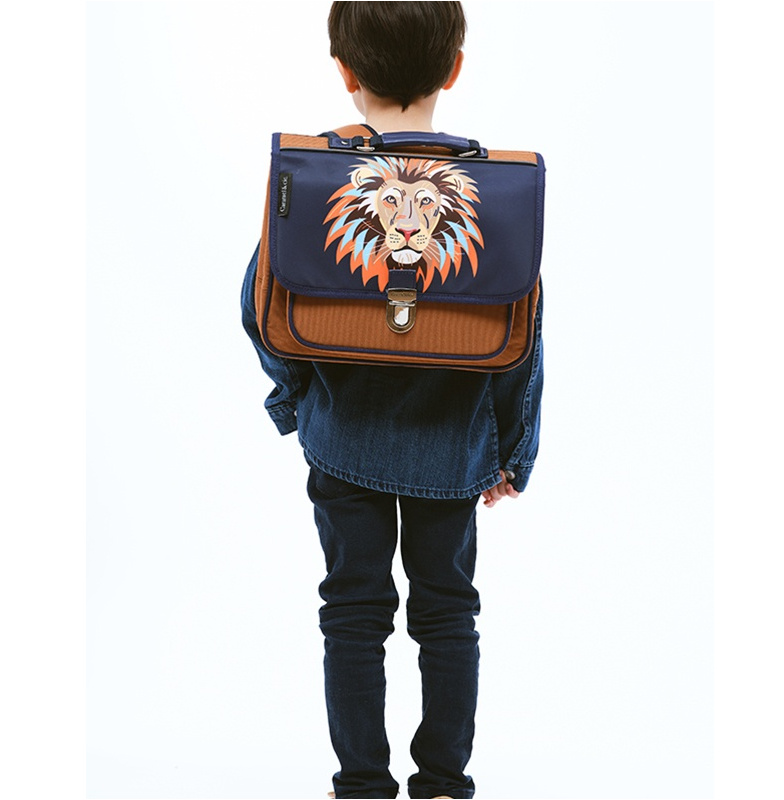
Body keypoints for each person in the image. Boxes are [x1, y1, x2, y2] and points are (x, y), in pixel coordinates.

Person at [241, 3, 544, 797]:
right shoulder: (495, 192)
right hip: (454, 445)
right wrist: (513, 451)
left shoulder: (314, 178)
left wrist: (298, 399)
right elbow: (522, 337)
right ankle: (442, 784)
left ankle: (362, 787)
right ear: (455, 68)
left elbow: (261, 308)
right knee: (447, 612)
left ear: (345, 70)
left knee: (352, 611)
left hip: (342, 438)